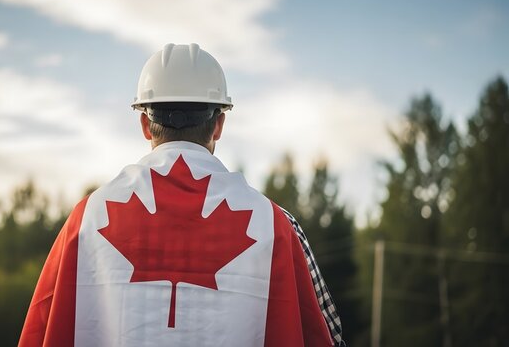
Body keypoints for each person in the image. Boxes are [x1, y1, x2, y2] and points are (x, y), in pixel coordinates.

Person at [19, 43, 344, 347]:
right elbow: (325, 334)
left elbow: (42, 329)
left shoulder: (87, 219)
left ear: (145, 124)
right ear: (219, 124)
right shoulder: (275, 226)